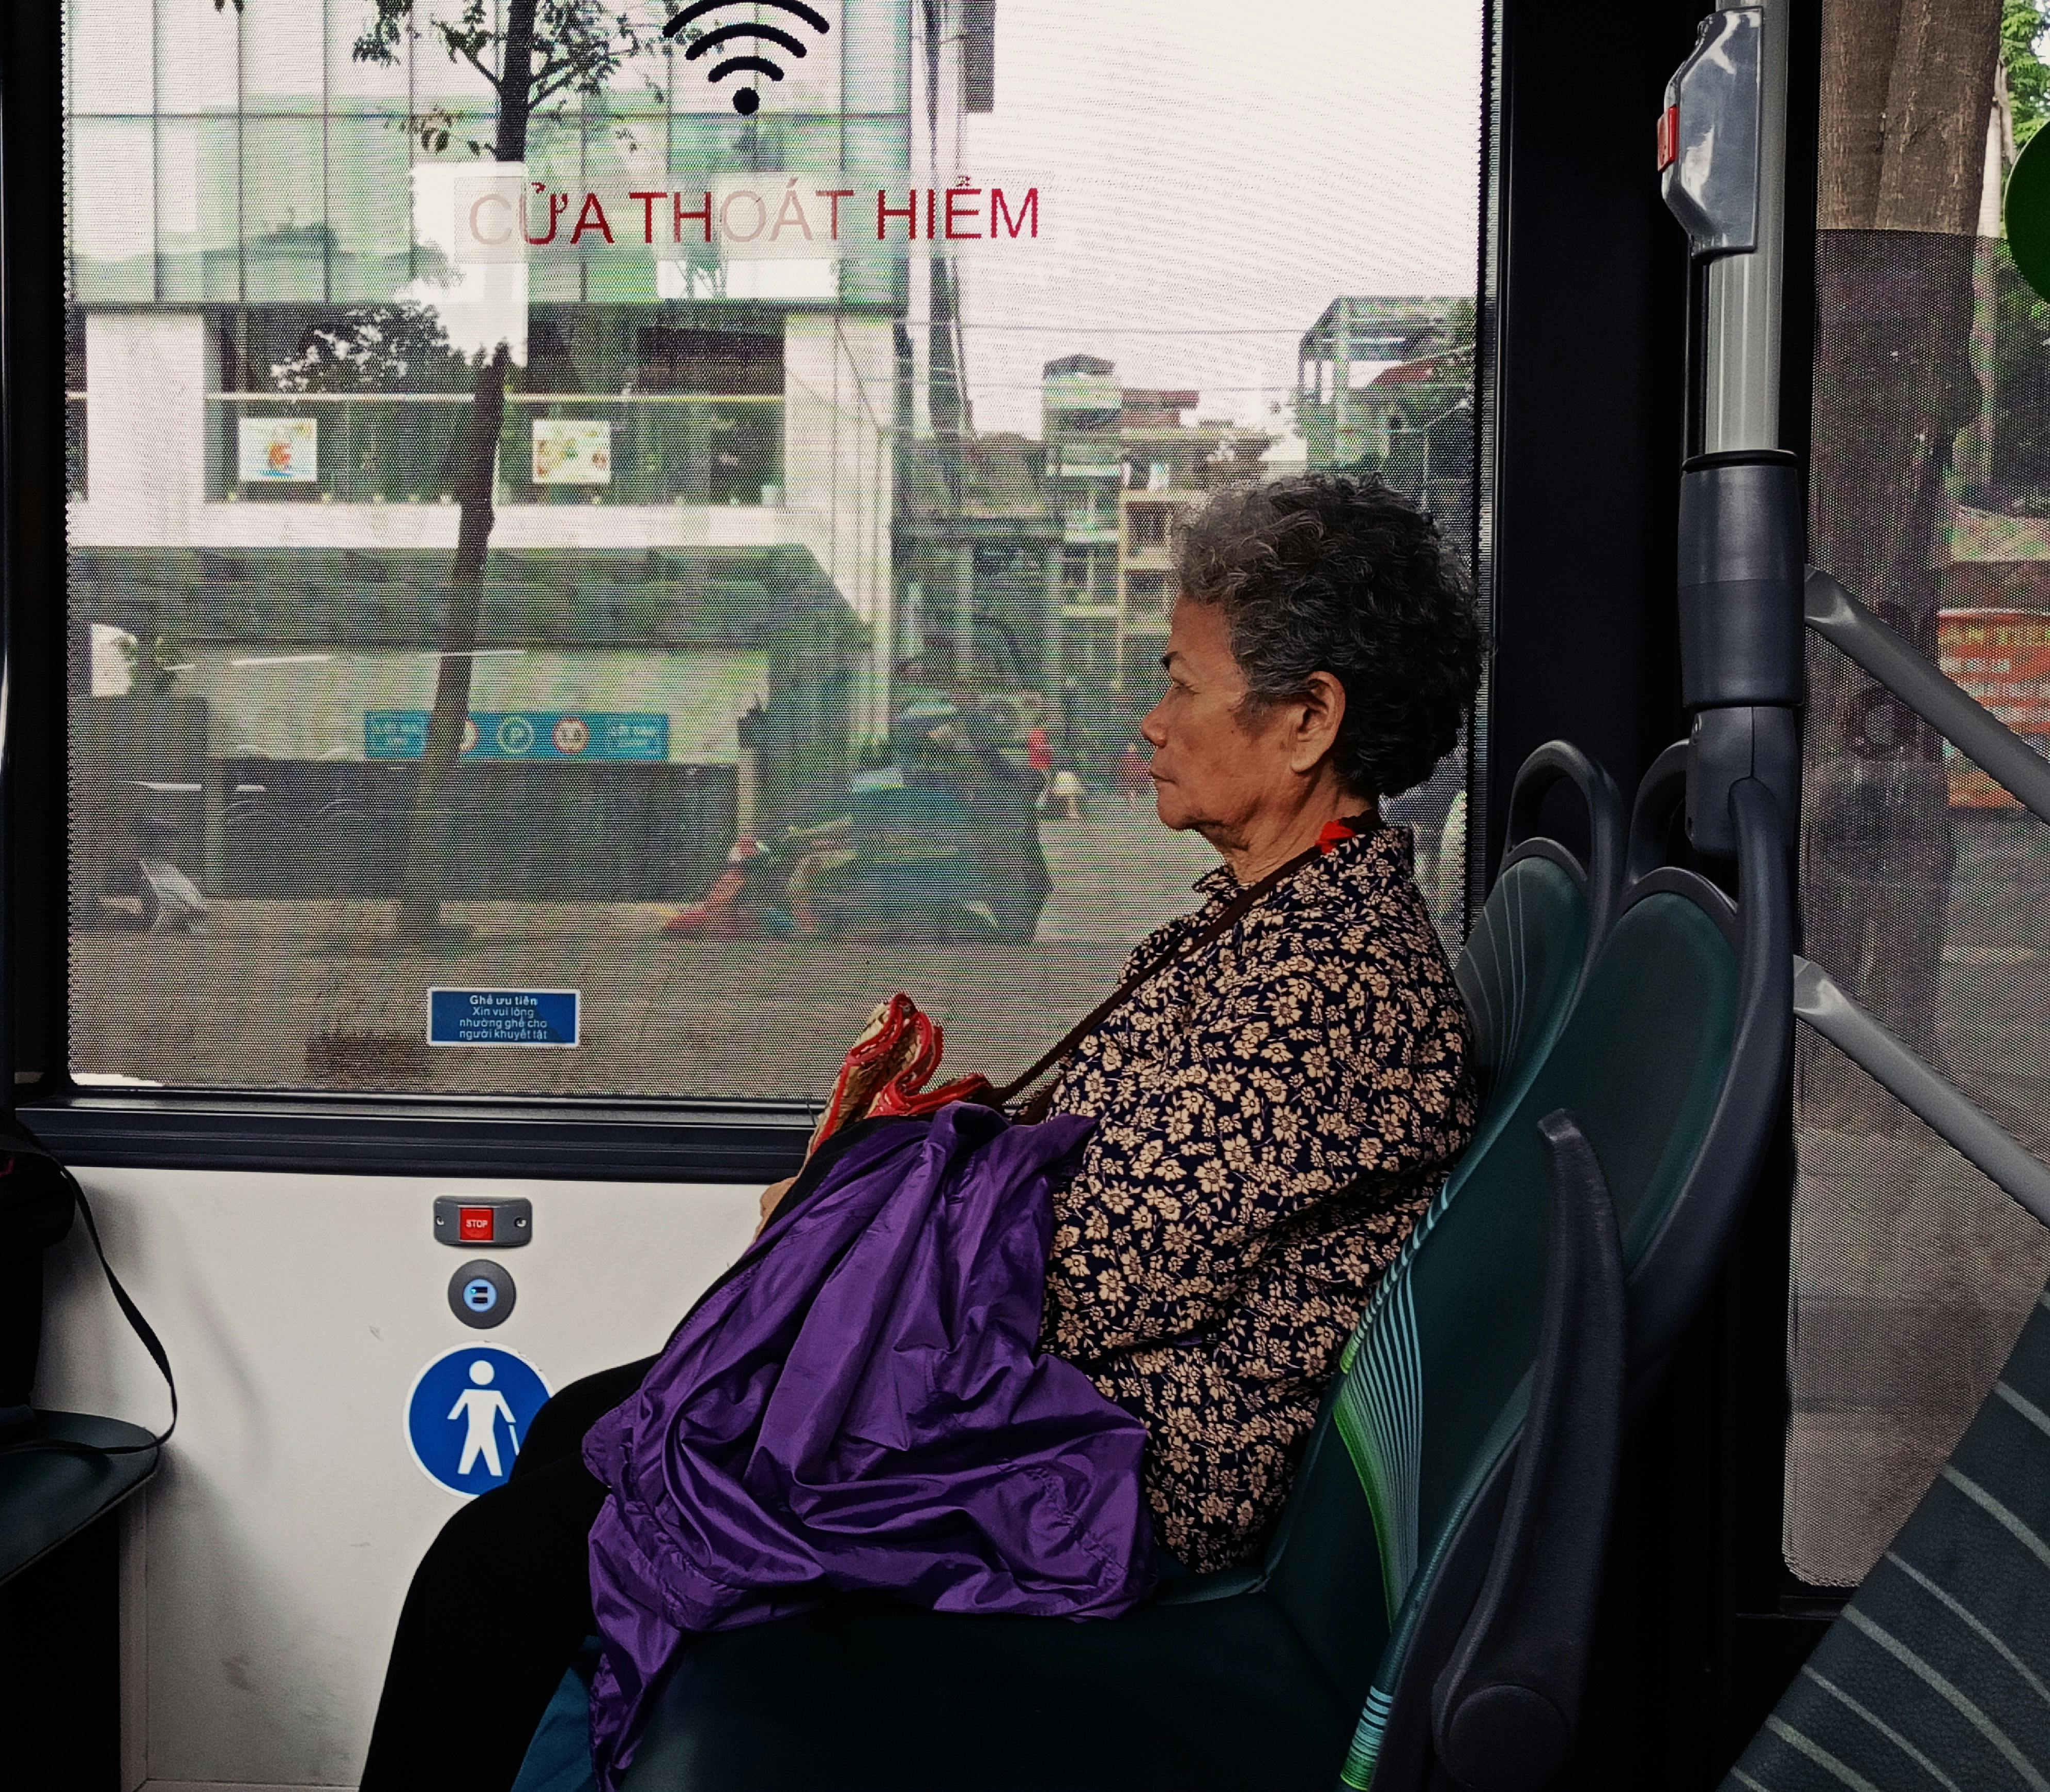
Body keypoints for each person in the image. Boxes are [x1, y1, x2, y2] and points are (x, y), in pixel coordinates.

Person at [358, 473, 1485, 1791]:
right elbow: (1071, 1167)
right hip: (1039, 1407)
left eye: (1182, 683)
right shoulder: (1259, 928)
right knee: (583, 1428)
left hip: (1093, 1473)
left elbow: (1087, 1274)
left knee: (493, 1569)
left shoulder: (1334, 991)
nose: (1152, 718)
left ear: (1305, 719)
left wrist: (852, 1222)